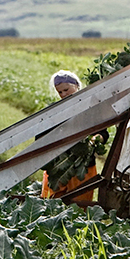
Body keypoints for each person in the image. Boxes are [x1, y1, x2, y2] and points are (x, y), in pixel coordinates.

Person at [40, 70, 101, 203]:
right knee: (50, 204)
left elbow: (103, 133)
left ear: (77, 85)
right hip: (57, 169)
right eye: (60, 92)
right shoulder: (53, 111)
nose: (63, 94)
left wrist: (93, 140)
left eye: (66, 90)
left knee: (79, 206)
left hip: (83, 168)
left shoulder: (90, 109)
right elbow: (41, 137)